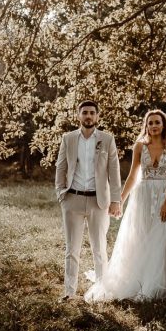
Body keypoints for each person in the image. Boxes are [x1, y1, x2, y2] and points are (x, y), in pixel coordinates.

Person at [85, 109, 166, 303]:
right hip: (143, 197)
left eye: (157, 122)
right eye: (150, 123)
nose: (153, 126)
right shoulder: (140, 146)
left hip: (165, 196)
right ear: (146, 126)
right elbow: (133, 175)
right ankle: (142, 280)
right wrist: (120, 200)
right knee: (142, 236)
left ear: (164, 125)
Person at [55, 100, 122, 301]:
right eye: (85, 112)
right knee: (71, 249)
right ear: (79, 115)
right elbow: (61, 167)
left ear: (97, 116)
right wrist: (61, 193)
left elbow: (114, 170)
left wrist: (116, 200)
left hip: (98, 201)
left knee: (99, 248)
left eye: (92, 112)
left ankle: (101, 291)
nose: (88, 116)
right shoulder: (68, 138)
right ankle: (69, 292)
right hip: (72, 199)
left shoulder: (107, 139)